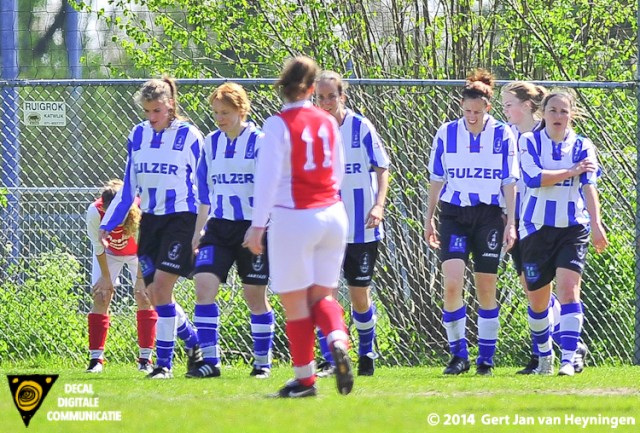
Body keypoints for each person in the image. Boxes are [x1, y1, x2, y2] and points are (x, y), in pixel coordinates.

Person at [243, 56, 354, 398]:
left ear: (283, 87)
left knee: (295, 304)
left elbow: (267, 180)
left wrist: (257, 226)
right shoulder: (327, 121)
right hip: (333, 213)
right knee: (322, 296)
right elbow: (339, 170)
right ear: (310, 89)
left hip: (294, 216)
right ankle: (337, 338)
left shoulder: (277, 124)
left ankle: (305, 380)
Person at [100, 77, 204, 379]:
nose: (152, 117)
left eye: (157, 110)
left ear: (170, 104)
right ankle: (193, 339)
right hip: (152, 220)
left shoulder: (190, 136)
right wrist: (109, 222)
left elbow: (204, 185)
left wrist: (202, 226)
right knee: (154, 293)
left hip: (181, 219)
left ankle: (164, 365)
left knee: (160, 288)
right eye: (147, 111)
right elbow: (130, 185)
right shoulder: (138, 135)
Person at [424, 69, 519, 376]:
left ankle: (486, 359)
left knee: (486, 287)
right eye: (467, 111)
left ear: (487, 108)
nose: (472, 117)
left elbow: (509, 181)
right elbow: (436, 180)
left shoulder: (502, 134)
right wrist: (429, 219)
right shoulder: (447, 132)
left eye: (477, 112)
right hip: (454, 214)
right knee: (452, 284)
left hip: (489, 216)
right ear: (461, 107)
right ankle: (458, 355)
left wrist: (511, 222)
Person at [186, 82, 274, 379]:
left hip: (253, 228)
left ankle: (262, 363)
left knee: (254, 297)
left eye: (225, 112)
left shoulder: (260, 142)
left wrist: (259, 227)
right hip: (219, 228)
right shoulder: (210, 144)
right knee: (203, 287)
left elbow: (269, 189)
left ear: (241, 110)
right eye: (216, 113)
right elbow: (204, 195)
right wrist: (199, 231)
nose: (220, 118)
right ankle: (210, 362)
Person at [519, 88, 608, 376]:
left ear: (571, 115)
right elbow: (534, 178)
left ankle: (569, 358)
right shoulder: (529, 141)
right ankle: (545, 355)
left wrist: (596, 223)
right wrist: (570, 171)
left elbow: (589, 185)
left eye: (564, 111)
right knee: (538, 300)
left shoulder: (583, 145)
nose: (558, 116)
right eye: (553, 110)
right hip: (535, 228)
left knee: (569, 291)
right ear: (542, 113)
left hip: (573, 227)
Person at [314, 71, 390, 377]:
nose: (327, 102)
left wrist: (379, 205)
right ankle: (332, 357)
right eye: (321, 97)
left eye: (332, 96)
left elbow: (382, 167)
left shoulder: (361, 126)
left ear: (342, 97)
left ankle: (366, 352)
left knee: (360, 294)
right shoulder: (314, 132)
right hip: (326, 227)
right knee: (325, 294)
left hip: (361, 226)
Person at [86, 179, 157, 374]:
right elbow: (98, 246)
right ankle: (95, 360)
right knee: (101, 295)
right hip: (108, 254)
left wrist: (141, 280)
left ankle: (145, 359)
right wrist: (106, 279)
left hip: (138, 254)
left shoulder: (140, 209)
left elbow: (146, 247)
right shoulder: (95, 212)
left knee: (144, 296)